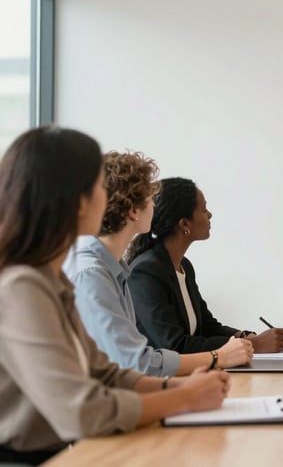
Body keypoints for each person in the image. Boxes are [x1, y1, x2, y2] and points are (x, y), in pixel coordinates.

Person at [0, 127, 229, 465]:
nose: (109, 197)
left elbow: (104, 373)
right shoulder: (22, 287)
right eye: (99, 186)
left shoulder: (52, 279)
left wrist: (178, 390)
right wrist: (185, 399)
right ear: (79, 201)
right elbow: (82, 412)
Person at [64, 151, 254, 376]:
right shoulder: (92, 274)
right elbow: (137, 363)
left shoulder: (115, 270)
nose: (155, 206)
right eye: (150, 198)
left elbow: (131, 365)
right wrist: (218, 357)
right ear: (134, 211)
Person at [126, 177, 283, 354]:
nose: (210, 214)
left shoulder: (184, 266)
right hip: (161, 379)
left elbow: (207, 327)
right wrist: (254, 345)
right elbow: (175, 345)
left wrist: (245, 336)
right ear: (185, 224)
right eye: (204, 210)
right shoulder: (146, 272)